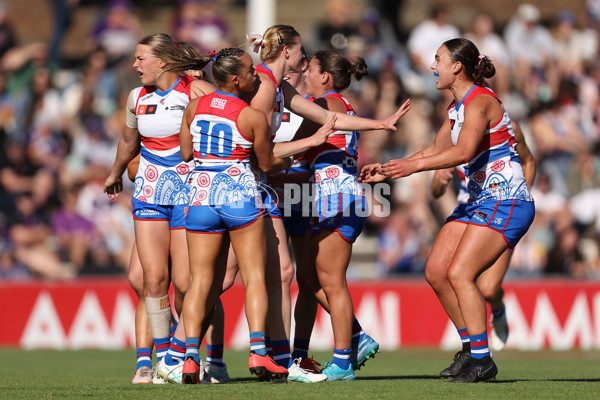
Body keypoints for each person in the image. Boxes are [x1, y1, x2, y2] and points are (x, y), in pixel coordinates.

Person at [361, 38, 535, 383]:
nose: (432, 66)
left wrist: (414, 169)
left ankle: (483, 361)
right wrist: (389, 167)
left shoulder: (481, 101)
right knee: (437, 271)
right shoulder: (457, 107)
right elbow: (436, 148)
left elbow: (463, 152)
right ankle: (472, 349)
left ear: (457, 66)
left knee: (460, 274)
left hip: (505, 200)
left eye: (438, 59)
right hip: (479, 202)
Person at [244, 24, 410, 382]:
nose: (305, 65)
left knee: (328, 280)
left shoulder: (324, 103)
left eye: (311, 64)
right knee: (307, 276)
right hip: (323, 195)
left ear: (324, 76)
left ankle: (342, 357)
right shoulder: (325, 101)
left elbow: (298, 134)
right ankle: (347, 340)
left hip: (330, 197)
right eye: (301, 56)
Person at [175, 47, 300, 384]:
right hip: (238, 195)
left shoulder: (193, 107)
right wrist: (287, 163)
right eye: (249, 71)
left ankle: (189, 358)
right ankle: (259, 353)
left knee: (201, 281)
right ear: (235, 80)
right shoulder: (251, 116)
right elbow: (267, 163)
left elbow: (186, 152)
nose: (255, 75)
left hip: (200, 196)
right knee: (254, 277)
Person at [104, 33, 216, 384]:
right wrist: (115, 173)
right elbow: (128, 140)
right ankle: (162, 357)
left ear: (163, 61)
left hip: (189, 192)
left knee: (184, 282)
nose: (135, 65)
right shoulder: (136, 97)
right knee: (153, 280)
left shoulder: (195, 92)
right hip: (150, 193)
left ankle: (190, 353)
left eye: (141, 58)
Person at [430, 120, 536, 356]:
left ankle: (497, 309)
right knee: (441, 273)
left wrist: (519, 197)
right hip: (467, 212)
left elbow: (528, 161)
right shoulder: (451, 129)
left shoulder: (507, 126)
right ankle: (473, 347)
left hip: (499, 209)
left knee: (488, 289)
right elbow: (436, 190)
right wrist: (439, 181)